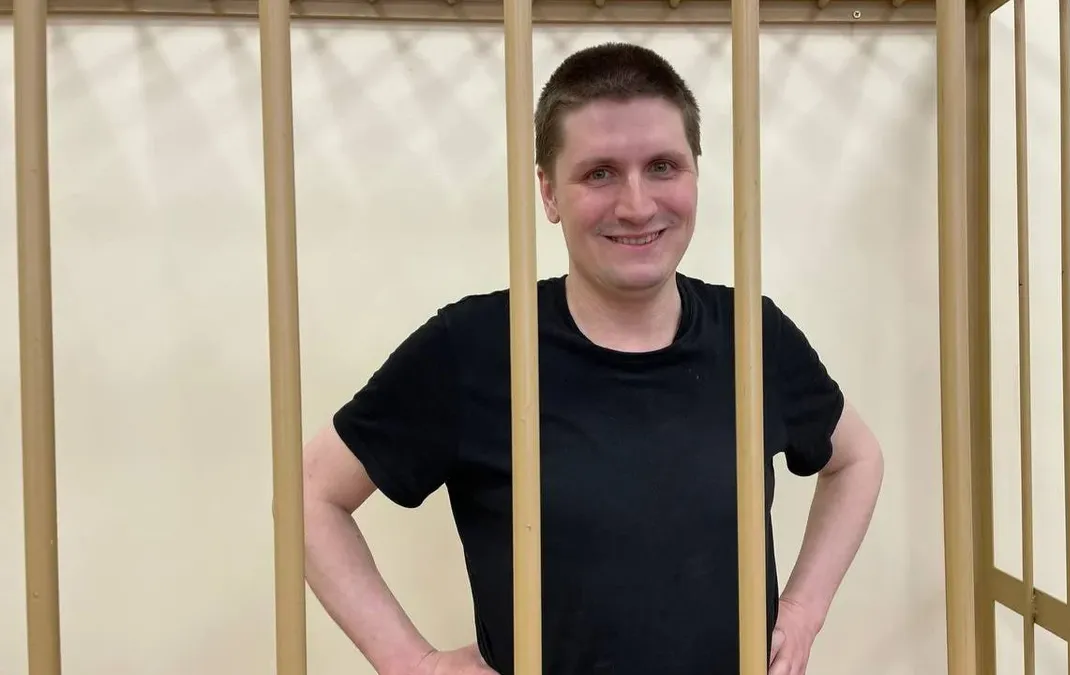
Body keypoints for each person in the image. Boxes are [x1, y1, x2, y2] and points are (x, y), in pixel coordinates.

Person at [301, 41, 884, 675]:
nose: (637, 205)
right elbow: (310, 494)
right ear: (548, 193)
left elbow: (857, 459)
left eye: (662, 166)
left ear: (695, 174)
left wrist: (802, 610)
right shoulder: (474, 347)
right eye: (600, 173)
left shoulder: (753, 333)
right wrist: (413, 663)